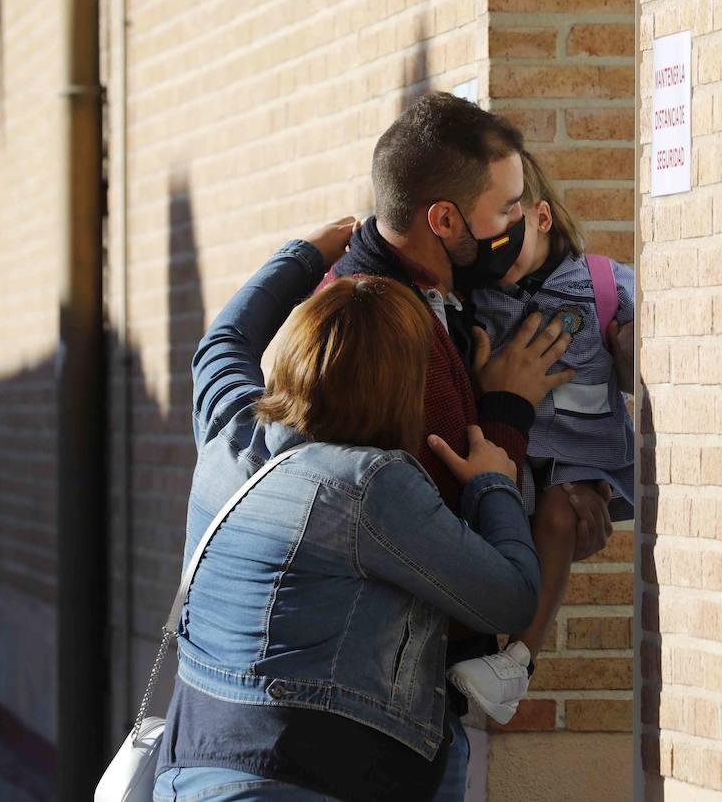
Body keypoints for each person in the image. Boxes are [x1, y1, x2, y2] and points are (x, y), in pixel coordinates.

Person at [152, 219, 544, 802]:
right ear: (401, 388)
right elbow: (510, 595)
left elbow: (223, 343)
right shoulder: (371, 487)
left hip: (190, 773)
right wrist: (493, 483)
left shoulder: (228, 437)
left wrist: (305, 254)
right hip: (308, 782)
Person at [320, 93, 615, 799]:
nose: (522, 222)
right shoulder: (384, 328)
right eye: (506, 209)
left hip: (397, 694)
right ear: (444, 220)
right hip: (387, 711)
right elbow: (445, 520)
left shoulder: (429, 299)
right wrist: (507, 411)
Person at [446, 152, 635, 724]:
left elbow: (649, 355)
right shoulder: (478, 298)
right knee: (500, 528)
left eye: (508, 238)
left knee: (557, 520)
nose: (495, 260)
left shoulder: (603, 284)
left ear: (542, 219)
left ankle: (517, 662)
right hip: (514, 452)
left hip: (582, 460)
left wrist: (630, 345)